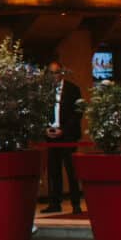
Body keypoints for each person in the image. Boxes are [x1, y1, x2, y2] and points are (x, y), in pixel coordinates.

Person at [42, 59, 84, 214]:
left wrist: (64, 131)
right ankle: (55, 203)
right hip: (51, 136)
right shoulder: (44, 91)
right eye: (51, 73)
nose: (54, 76)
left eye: (57, 72)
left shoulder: (73, 89)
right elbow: (39, 112)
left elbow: (78, 113)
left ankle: (75, 204)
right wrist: (45, 129)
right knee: (54, 171)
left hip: (68, 136)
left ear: (62, 73)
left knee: (71, 170)